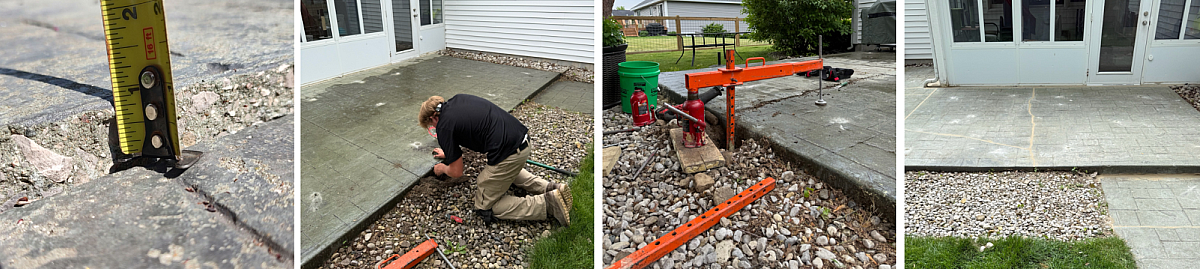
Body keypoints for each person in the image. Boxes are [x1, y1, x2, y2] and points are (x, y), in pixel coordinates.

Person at [418, 94, 572, 226]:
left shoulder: (444, 126)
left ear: (433, 118)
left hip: (509, 155)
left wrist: (443, 168)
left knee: (487, 205)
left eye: (430, 125)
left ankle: (548, 204)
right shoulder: (459, 100)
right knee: (504, 172)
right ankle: (551, 187)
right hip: (522, 142)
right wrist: (450, 153)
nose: (433, 128)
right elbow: (469, 130)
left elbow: (457, 172)